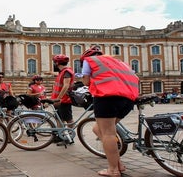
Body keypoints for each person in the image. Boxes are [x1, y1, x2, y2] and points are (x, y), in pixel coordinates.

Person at [81, 46, 139, 176]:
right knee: (97, 129)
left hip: (107, 97)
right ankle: (118, 163)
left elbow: (86, 81)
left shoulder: (89, 60)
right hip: (128, 99)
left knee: (108, 134)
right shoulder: (120, 63)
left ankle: (113, 170)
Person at [50, 54, 75, 129]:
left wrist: (59, 98)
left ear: (57, 63)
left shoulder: (66, 72)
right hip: (59, 100)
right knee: (59, 119)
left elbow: (66, 85)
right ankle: (60, 135)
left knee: (68, 119)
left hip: (64, 100)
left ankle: (70, 135)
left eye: (54, 62)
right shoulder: (62, 72)